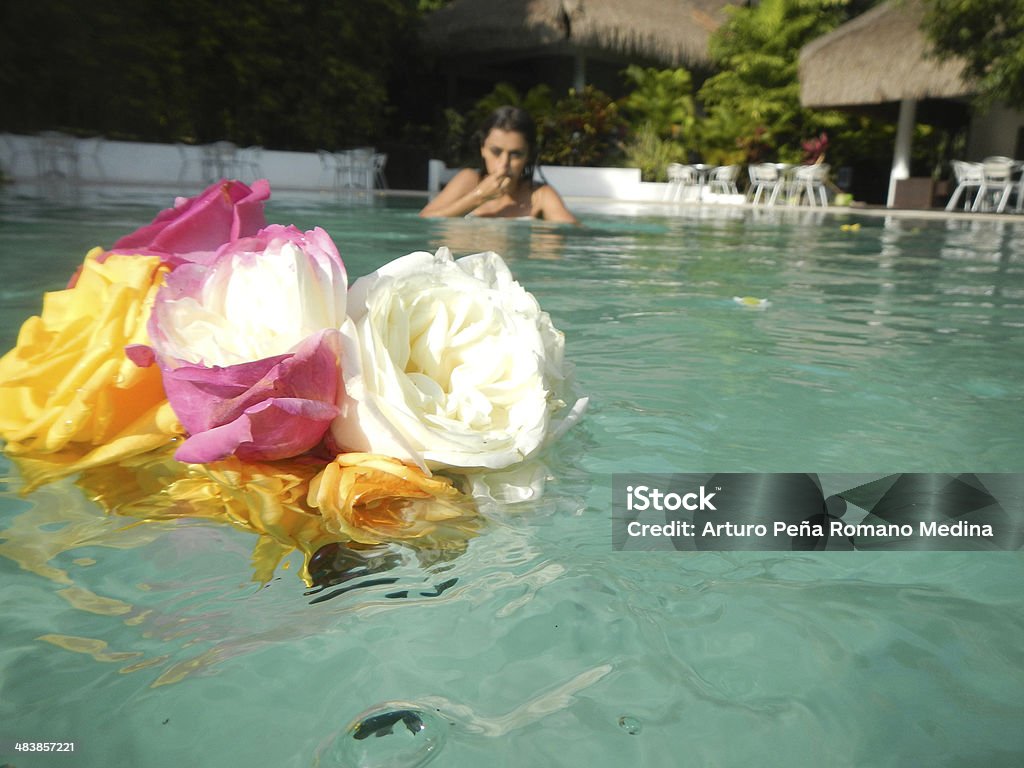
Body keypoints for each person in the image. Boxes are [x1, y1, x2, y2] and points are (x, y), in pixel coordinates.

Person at [419, 106, 578, 224]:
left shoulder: (539, 196)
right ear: (483, 148)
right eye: (496, 152)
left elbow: (573, 233)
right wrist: (478, 197)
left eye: (516, 154)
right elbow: (424, 222)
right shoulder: (468, 181)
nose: (504, 164)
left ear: (529, 155)